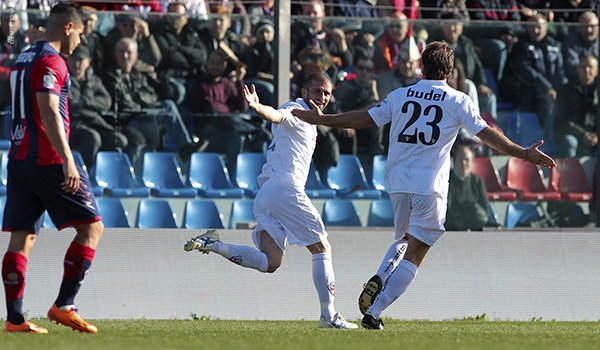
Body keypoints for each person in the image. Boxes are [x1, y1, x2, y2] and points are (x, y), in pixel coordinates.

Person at [291, 41, 556, 329]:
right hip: (429, 185)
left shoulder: (400, 95)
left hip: (397, 182)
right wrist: (524, 154)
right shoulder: (458, 100)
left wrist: (324, 119)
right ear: (450, 70)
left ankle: (381, 276)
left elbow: (364, 118)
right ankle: (374, 312)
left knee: (404, 240)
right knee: (417, 251)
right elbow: (487, 135)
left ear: (421, 66)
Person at [183, 73, 358, 330]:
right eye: (317, 91)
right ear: (304, 91)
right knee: (322, 248)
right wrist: (256, 107)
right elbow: (277, 115)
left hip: (267, 195)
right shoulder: (296, 109)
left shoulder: (310, 120)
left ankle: (214, 244)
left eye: (327, 93)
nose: (322, 97)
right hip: (286, 190)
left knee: (270, 262)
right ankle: (328, 316)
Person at [2, 1, 103, 334]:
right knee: (92, 228)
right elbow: (48, 112)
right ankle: (64, 305)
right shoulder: (51, 60)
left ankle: (15, 320)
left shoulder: (24, 56)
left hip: (18, 158)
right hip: (47, 159)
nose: (79, 44)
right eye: (80, 35)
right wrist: (68, 160)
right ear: (69, 28)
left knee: (22, 238)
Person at [554, 54, 599, 158]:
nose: (587, 70)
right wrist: (583, 134)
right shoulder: (566, 90)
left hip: (593, 137)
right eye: (583, 67)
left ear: (596, 71)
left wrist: (596, 136)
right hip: (572, 134)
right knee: (570, 142)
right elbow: (561, 120)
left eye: (590, 67)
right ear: (577, 69)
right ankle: (568, 174)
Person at [444, 144, 490, 231]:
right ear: (454, 161)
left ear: (472, 162)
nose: (463, 163)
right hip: (450, 232)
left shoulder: (478, 181)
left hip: (474, 232)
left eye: (467, 160)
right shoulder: (446, 181)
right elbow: (446, 212)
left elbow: (485, 212)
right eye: (460, 159)